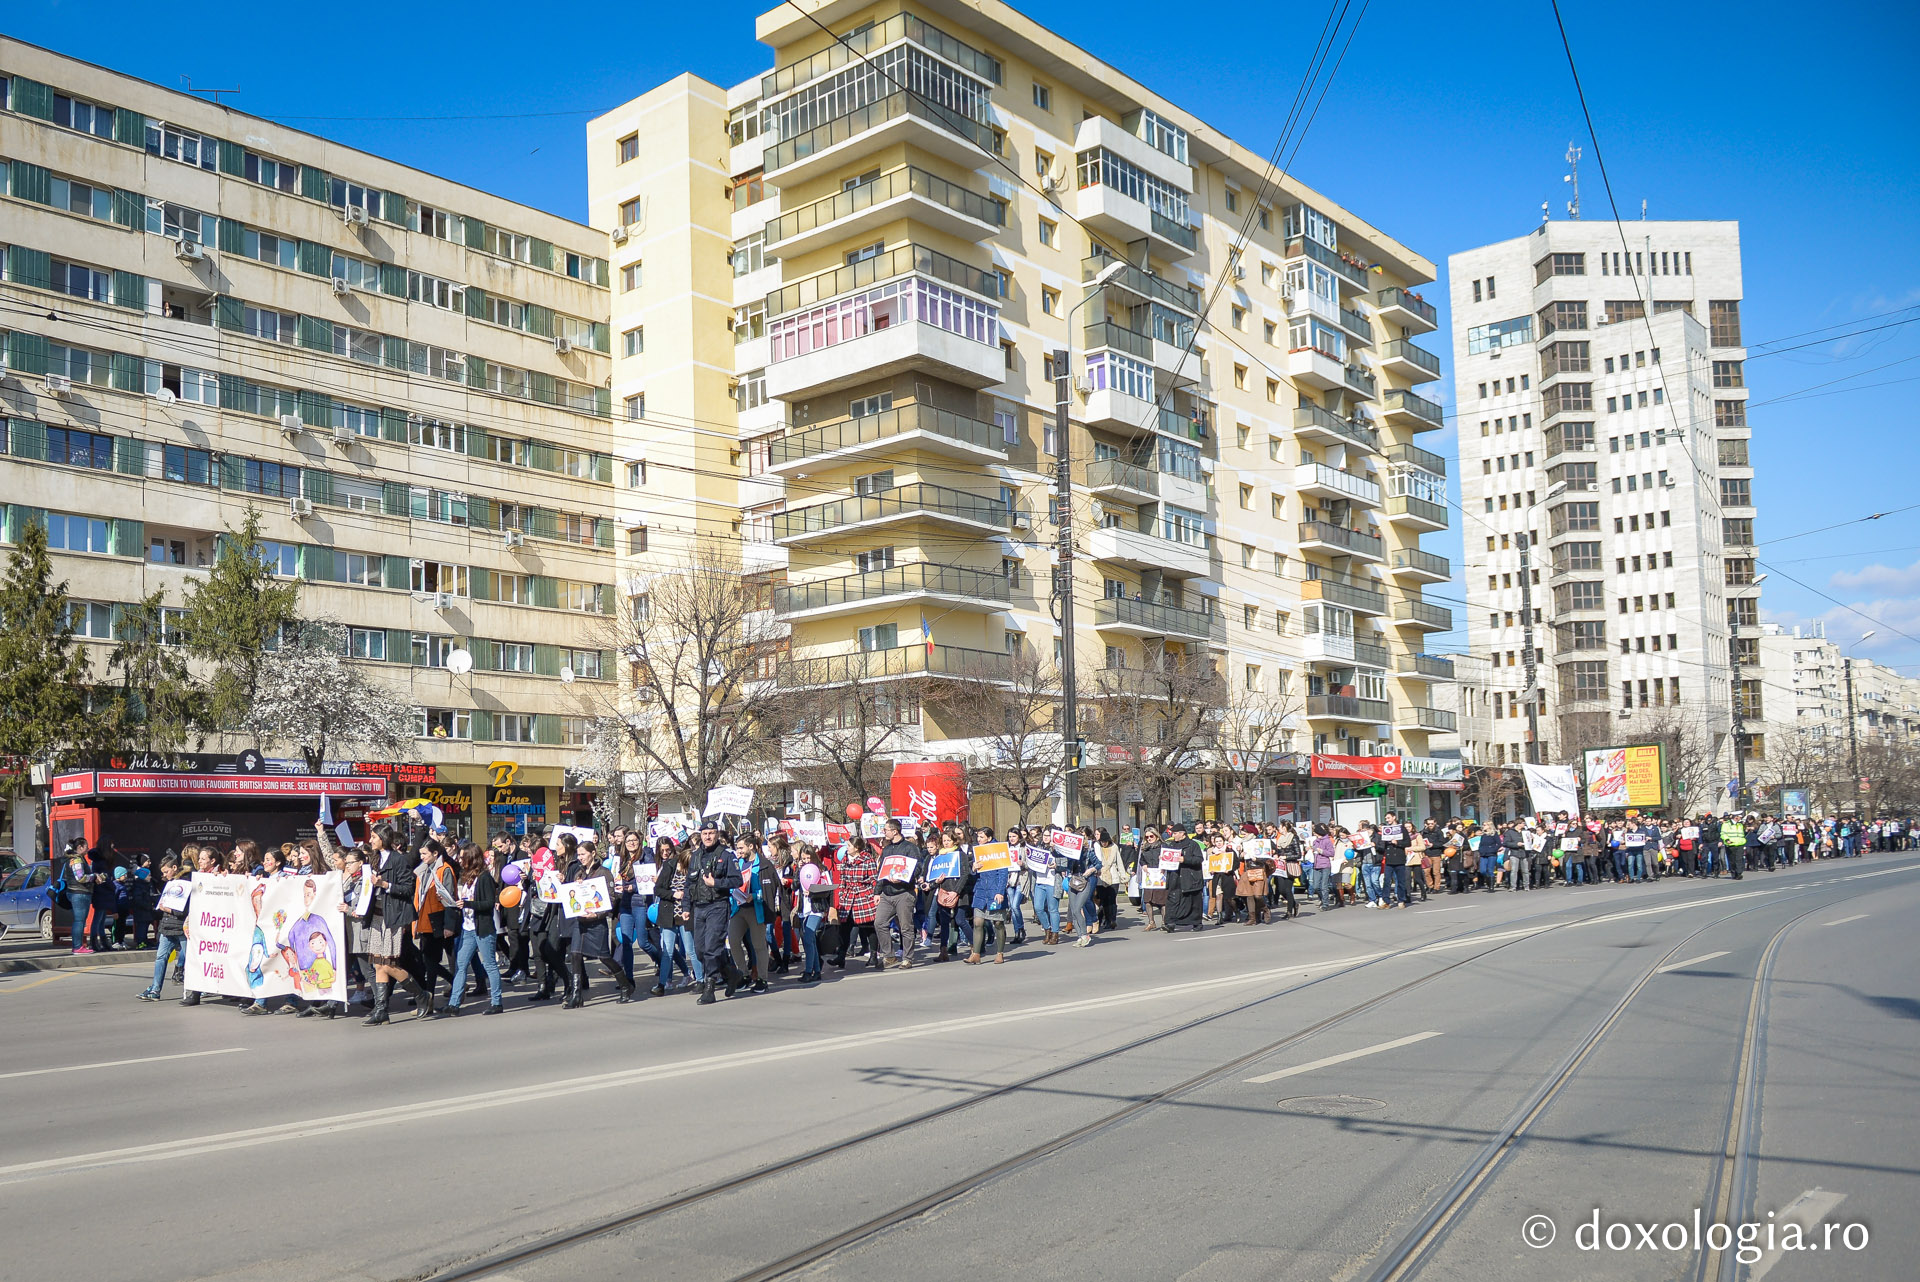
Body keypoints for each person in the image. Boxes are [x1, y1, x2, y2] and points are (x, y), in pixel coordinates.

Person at [446, 844, 506, 1015]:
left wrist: (468, 904)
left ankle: (496, 1002)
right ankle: (454, 1003)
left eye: (463, 857)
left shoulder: (484, 877)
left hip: (483, 928)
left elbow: (488, 904)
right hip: (468, 927)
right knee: (461, 964)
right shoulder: (467, 877)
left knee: (490, 965)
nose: (460, 860)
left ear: (472, 859)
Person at [687, 820, 743, 1003]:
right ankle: (731, 972)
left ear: (717, 834)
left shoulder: (726, 855)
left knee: (712, 947)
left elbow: (737, 880)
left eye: (711, 833)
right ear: (700, 835)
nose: (708, 836)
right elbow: (689, 883)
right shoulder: (695, 856)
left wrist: (716, 883)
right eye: (705, 833)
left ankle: (710, 986)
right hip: (699, 907)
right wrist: (686, 907)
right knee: (700, 950)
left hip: (718, 905)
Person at [1160, 819, 1207, 932]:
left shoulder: (1192, 845)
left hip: (1190, 878)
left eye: (1175, 833)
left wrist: (1184, 859)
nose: (1173, 835)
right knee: (1172, 900)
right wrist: (1163, 861)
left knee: (1193, 903)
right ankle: (1170, 923)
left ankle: (1196, 923)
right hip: (1175, 878)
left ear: (1182, 833)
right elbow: (1167, 858)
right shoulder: (1171, 844)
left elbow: (1199, 859)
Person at [966, 847, 1010, 965]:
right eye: (978, 837)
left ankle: (1000, 953)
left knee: (998, 923)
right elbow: (973, 876)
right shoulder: (978, 852)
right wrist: (973, 869)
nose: (979, 839)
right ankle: (976, 954)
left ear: (989, 837)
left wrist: (1000, 891)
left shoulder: (998, 851)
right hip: (981, 892)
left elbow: (1003, 873)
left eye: (982, 837)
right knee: (977, 923)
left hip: (994, 892)